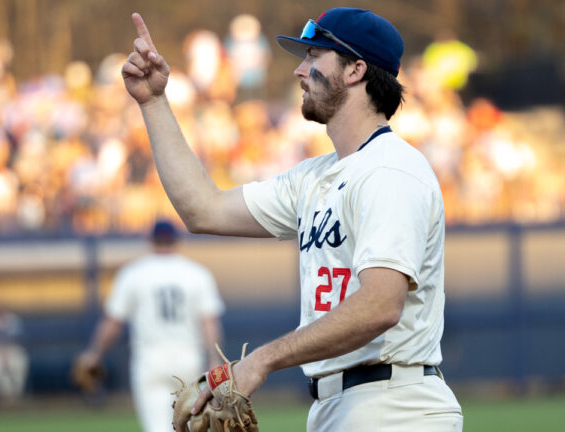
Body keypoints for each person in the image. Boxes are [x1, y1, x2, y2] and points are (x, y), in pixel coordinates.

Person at [122, 6, 463, 431]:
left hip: (394, 405)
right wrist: (154, 102)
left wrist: (261, 361)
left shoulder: (389, 170)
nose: (300, 71)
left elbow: (380, 305)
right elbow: (202, 209)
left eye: (313, 56)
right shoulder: (315, 178)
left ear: (356, 69)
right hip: (339, 405)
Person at [76, 219, 225, 432]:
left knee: (158, 428)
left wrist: (94, 353)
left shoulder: (134, 273)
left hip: (150, 361)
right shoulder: (196, 273)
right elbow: (209, 322)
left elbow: (113, 323)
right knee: (191, 427)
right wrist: (214, 358)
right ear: (176, 240)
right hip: (188, 359)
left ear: (150, 240)